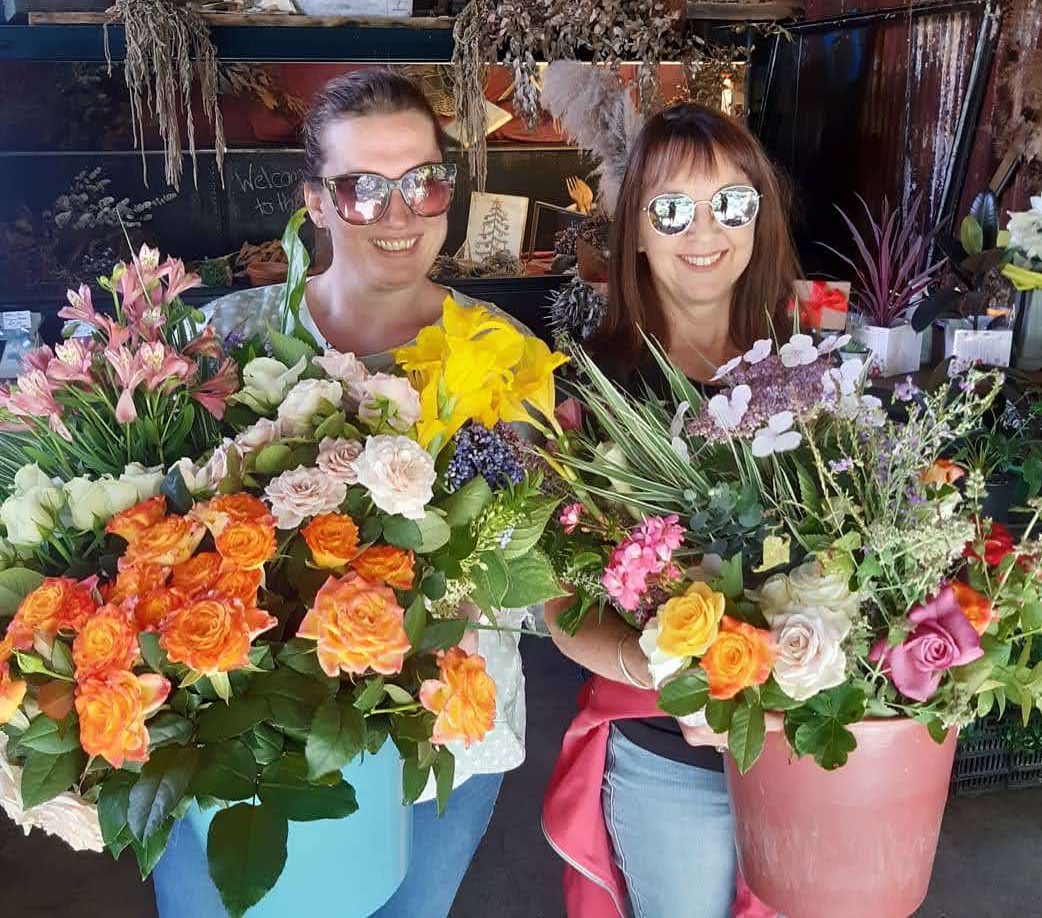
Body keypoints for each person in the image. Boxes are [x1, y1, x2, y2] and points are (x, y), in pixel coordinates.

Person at [157, 69, 529, 918]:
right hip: (240, 734)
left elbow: (533, 571)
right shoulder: (224, 342)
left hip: (442, 729)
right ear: (316, 203)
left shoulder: (502, 350)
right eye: (363, 189)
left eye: (422, 183)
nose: (399, 215)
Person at [542, 103, 801, 918]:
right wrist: (677, 672)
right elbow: (560, 607)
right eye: (672, 209)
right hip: (668, 758)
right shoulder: (588, 395)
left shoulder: (806, 376)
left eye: (731, 203)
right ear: (636, 234)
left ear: (760, 217)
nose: (705, 231)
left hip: (808, 744)